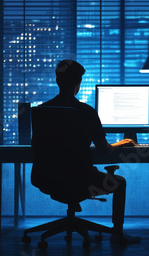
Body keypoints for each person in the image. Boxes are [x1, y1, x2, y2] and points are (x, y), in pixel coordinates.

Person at [32, 59, 140, 245]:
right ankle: (118, 234)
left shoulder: (41, 111)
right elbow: (104, 149)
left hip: (46, 177)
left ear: (57, 81)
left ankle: (73, 201)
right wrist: (122, 143)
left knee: (71, 180)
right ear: (78, 84)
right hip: (82, 178)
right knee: (120, 183)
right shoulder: (86, 111)